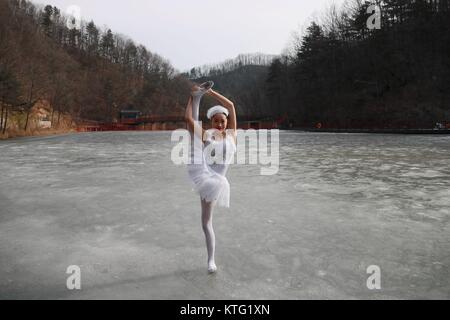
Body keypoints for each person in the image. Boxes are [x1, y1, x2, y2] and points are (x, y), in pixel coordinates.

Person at [184, 81, 237, 274]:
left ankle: (211, 260)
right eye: (216, 121)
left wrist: (211, 92)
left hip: (219, 181)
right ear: (212, 123)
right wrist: (192, 97)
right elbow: (188, 119)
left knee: (207, 222)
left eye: (223, 121)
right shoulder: (208, 135)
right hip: (207, 177)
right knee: (206, 222)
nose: (220, 124)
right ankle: (211, 260)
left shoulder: (232, 135)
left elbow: (230, 106)